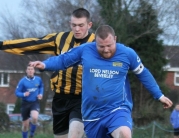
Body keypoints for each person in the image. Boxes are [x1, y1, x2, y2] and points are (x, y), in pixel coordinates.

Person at [29, 25, 173, 138]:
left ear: (115, 39)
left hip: (117, 109)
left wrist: (159, 95)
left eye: (109, 45)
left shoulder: (127, 54)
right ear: (95, 42)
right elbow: (63, 60)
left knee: (124, 134)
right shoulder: (85, 50)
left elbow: (143, 73)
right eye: (101, 46)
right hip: (92, 114)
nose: (105, 50)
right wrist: (45, 65)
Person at [0, 8, 94, 138]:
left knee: (75, 134)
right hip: (60, 98)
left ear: (89, 25)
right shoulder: (60, 39)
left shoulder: (97, 44)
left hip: (83, 98)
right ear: (70, 24)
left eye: (81, 25)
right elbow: (33, 44)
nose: (77, 29)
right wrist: (2, 45)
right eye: (74, 25)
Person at [15, 65, 44, 138]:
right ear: (26, 71)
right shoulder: (22, 81)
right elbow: (17, 92)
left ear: (34, 71)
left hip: (34, 102)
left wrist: (40, 94)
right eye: (29, 69)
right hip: (25, 103)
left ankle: (32, 134)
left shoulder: (38, 79)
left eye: (32, 69)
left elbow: (41, 87)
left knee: (34, 117)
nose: (30, 71)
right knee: (25, 126)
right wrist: (24, 94)